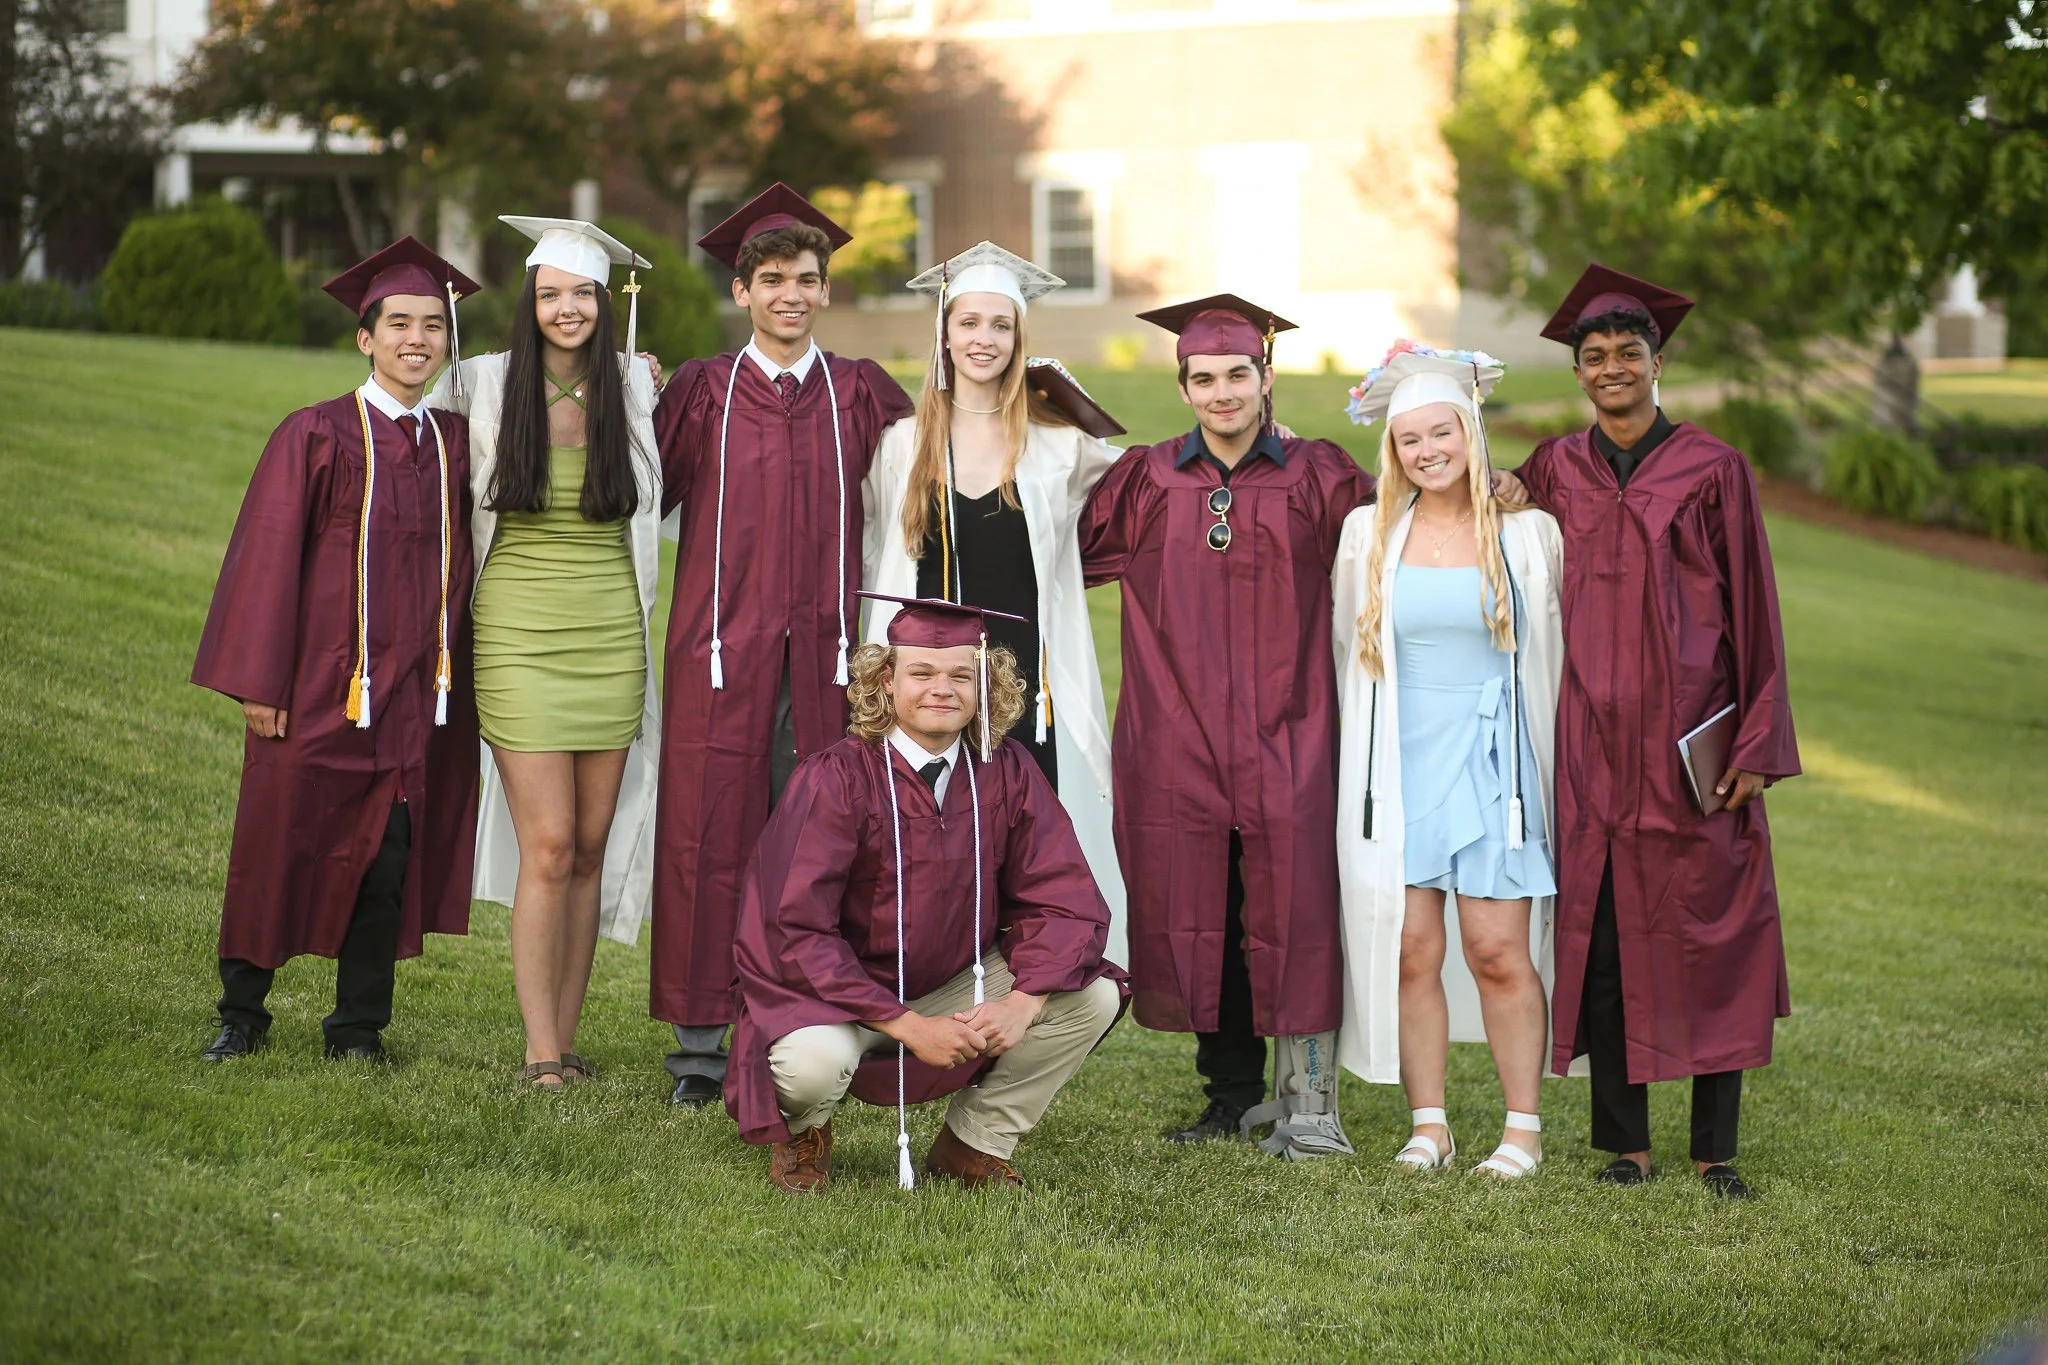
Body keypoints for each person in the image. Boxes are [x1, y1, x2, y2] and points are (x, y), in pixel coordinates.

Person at [1513, 264, 1800, 1197]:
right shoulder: (1558, 466)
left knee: (1713, 939)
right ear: (1579, 372)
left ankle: (1715, 1148)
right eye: (1593, 357)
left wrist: (1755, 746)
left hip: (1691, 749)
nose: (1610, 369)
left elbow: (1756, 609)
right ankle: (1625, 1146)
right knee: (1603, 945)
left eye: (1626, 353)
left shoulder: (1713, 469)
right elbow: (1483, 510)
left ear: (1656, 359)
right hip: (1593, 746)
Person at [1078, 295, 1373, 1158]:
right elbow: (1048, 551)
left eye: (1237, 374)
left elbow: (1395, 547)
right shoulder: (1145, 479)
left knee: (1299, 907)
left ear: (1266, 377)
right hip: (1178, 741)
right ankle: (1231, 1098)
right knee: (1205, 908)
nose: (1221, 392)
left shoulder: (1320, 475)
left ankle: (1310, 1101)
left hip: (1296, 731)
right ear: (1184, 386)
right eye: (1203, 378)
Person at [650, 184, 916, 1107]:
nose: (790, 295)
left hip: (833, 655)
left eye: (806, 279)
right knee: (708, 833)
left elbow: (936, 475)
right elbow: (634, 484)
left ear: (825, 291)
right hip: (720, 653)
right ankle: (698, 1047)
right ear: (742, 292)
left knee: (824, 843)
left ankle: (817, 1026)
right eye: (772, 280)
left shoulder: (862, 392)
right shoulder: (700, 392)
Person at [192, 237, 482, 1064]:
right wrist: (259, 680)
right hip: (318, 686)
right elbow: (265, 557)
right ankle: (241, 1014)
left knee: (388, 860)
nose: (417, 339)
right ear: (366, 338)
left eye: (433, 325)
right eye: (398, 324)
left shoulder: (457, 442)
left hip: (409, 695)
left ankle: (357, 1030)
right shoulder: (316, 433)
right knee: (278, 842)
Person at [727, 594, 1126, 1193]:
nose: (943, 688)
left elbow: (1064, 899)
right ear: (885, 682)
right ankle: (805, 1130)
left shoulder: (1007, 771)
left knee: (1088, 996)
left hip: (953, 982)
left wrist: (1022, 1004)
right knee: (813, 1066)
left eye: (961, 675)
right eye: (922, 673)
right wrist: (908, 1026)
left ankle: (973, 1144)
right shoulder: (836, 778)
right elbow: (797, 929)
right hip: (836, 999)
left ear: (982, 686)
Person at [429, 218, 665, 1088]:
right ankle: (537, 1053)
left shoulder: (636, 393)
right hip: (519, 636)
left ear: (606, 302)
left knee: (594, 846)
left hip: (611, 634)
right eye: (550, 295)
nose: (567, 309)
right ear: (529, 306)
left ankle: (567, 1042)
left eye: (582, 294)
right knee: (553, 842)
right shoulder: (479, 386)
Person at [1331, 343, 1565, 1179]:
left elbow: (1556, 655)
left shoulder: (1528, 535)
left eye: (1444, 433)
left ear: (1472, 433)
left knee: (1498, 950)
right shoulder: (1370, 534)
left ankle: (1522, 1128)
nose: (1428, 452)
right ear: (1391, 451)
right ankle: (1429, 1123)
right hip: (1397, 765)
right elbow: (1341, 659)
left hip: (1492, 766)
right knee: (1409, 949)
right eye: (1410, 440)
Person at [861, 240, 1128, 963]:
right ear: (944, 332)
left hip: (1023, 690)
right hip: (928, 682)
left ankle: (1018, 993)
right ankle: (933, 983)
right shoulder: (903, 445)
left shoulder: (1060, 448)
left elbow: (1156, 493)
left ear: (1020, 339)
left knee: (1018, 850)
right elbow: (868, 541)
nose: (984, 339)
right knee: (926, 845)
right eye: (969, 322)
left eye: (1000, 326)